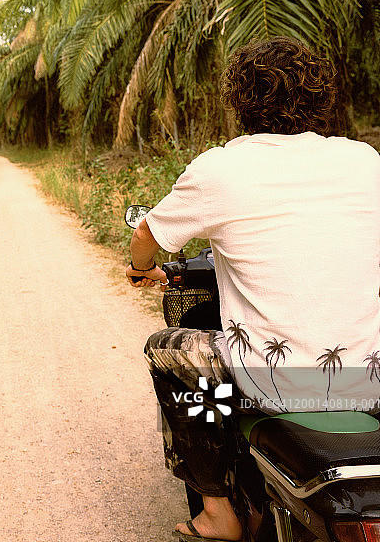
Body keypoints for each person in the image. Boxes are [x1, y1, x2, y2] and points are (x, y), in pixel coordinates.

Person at [125, 37, 380, 542]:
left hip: (272, 381)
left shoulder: (221, 168)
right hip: (367, 380)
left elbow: (144, 235)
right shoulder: (365, 160)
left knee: (167, 350)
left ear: (239, 99)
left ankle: (218, 510)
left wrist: (144, 269)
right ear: (320, 99)